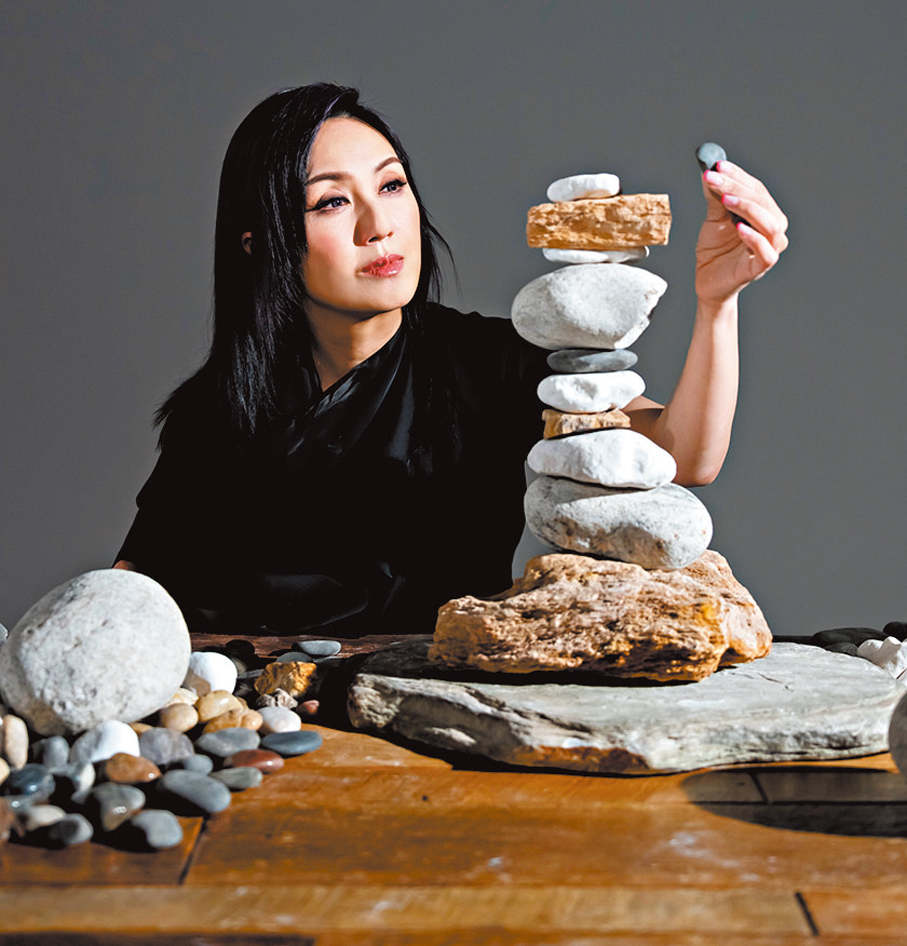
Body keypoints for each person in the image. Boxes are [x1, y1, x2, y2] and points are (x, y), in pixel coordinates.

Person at [114, 83, 788, 635]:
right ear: (260, 243)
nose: (378, 225)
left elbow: (683, 454)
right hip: (252, 712)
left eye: (391, 186)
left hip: (432, 707)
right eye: (331, 201)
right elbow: (130, 592)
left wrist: (716, 302)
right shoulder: (221, 407)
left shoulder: (487, 363)